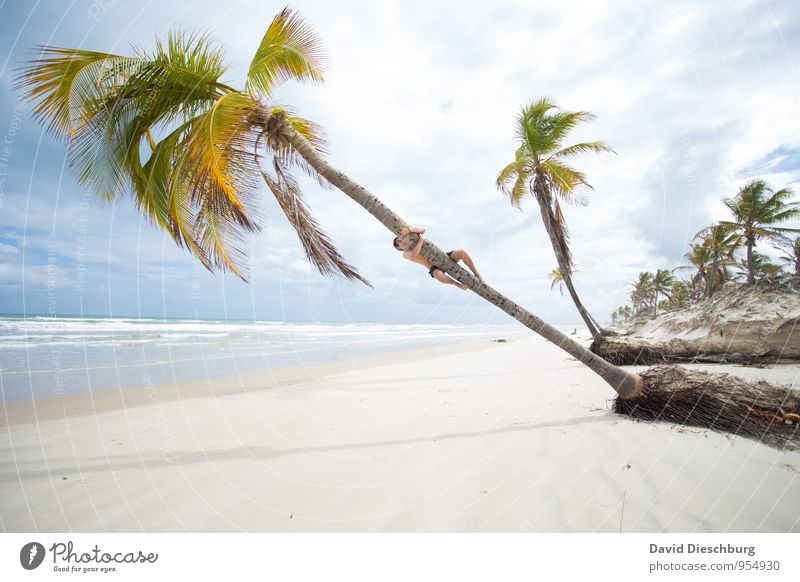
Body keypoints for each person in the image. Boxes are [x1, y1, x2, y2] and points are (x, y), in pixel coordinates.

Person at [393, 226, 485, 289]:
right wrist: (421, 241)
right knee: (438, 275)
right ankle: (457, 284)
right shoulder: (405, 254)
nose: (400, 240)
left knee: (462, 252)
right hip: (433, 267)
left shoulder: (413, 238)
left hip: (442, 257)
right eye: (398, 242)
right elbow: (414, 255)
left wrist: (409, 229)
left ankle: (477, 274)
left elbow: (423, 230)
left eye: (399, 238)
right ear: (399, 248)